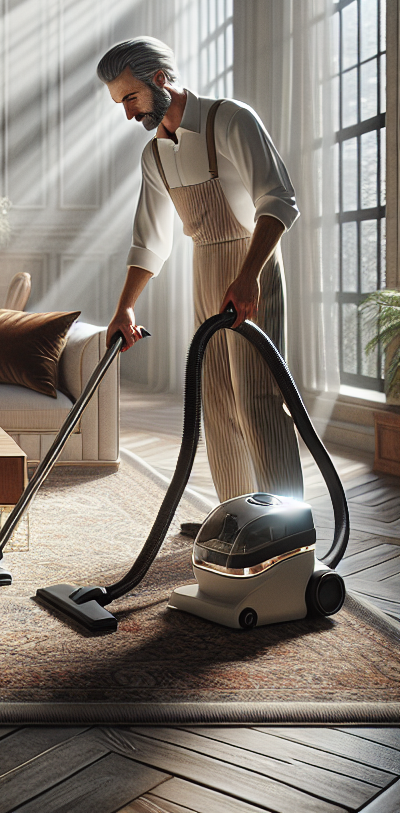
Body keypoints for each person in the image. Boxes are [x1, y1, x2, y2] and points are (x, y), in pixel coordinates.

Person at [98, 36, 303, 510]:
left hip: (254, 263)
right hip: (204, 266)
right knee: (216, 399)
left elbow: (277, 201)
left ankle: (289, 527)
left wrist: (249, 275)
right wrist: (125, 306)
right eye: (119, 103)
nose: (128, 113)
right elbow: (150, 240)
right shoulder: (155, 154)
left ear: (160, 80)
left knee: (258, 399)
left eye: (130, 97)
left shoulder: (230, 119)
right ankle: (239, 517)